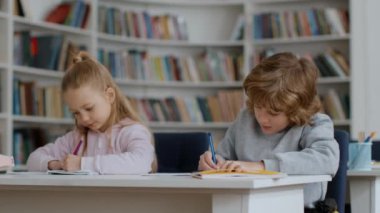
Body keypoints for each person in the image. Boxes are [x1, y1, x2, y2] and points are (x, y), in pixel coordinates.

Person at [198, 52, 339, 208]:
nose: (262, 118)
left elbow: (327, 159)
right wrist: (213, 162)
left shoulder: (314, 123)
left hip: (299, 208)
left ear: (296, 109)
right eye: (258, 106)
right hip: (244, 206)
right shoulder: (246, 118)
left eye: (273, 112)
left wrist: (262, 167)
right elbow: (223, 157)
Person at [27, 51, 156, 174]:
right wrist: (56, 164)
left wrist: (82, 164)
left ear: (110, 96)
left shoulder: (131, 131)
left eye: (89, 108)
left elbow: (142, 161)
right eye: (76, 113)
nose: (84, 119)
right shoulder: (76, 137)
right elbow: (32, 159)